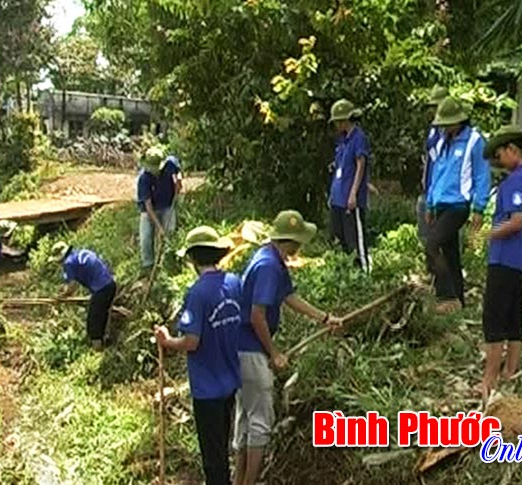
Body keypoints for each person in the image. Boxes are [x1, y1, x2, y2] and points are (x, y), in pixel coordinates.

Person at [233, 210, 342, 485]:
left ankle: (238, 480)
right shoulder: (269, 266)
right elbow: (257, 315)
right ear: (290, 241)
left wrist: (324, 318)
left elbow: (289, 296)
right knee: (258, 421)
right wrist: (274, 353)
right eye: (298, 241)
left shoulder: (270, 259)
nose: (300, 247)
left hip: (243, 348)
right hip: (250, 350)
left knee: (245, 418)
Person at [154, 226, 241, 485]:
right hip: (231, 381)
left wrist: (166, 341)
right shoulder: (234, 283)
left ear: (193, 259)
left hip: (208, 389)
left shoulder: (197, 293)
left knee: (213, 457)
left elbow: (192, 342)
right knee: (223, 445)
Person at [479, 126, 522, 401]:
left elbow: (516, 221)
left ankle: (489, 380)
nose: (498, 162)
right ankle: (510, 369)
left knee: (494, 316)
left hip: (506, 257)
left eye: (499, 155)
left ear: (512, 150)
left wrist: (486, 234)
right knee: (513, 314)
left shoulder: (516, 182)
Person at [425, 97, 491, 314]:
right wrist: (430, 203)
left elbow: (482, 175)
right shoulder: (443, 141)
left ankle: (446, 295)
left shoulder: (474, 140)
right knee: (450, 252)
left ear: (458, 121)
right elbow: (437, 174)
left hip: (459, 205)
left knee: (432, 244)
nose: (444, 128)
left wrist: (479, 208)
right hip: (441, 203)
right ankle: (459, 299)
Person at [49, 241, 117, 350]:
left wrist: (61, 296)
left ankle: (97, 350)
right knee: (102, 314)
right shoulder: (82, 252)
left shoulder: (68, 263)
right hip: (110, 284)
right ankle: (105, 341)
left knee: (93, 322)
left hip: (101, 289)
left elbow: (71, 286)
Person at [328, 99, 371, 271]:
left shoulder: (359, 138)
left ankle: (362, 270)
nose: (336, 125)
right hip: (338, 196)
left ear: (345, 120)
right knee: (340, 237)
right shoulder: (342, 140)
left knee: (355, 237)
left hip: (350, 198)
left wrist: (354, 193)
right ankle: (347, 271)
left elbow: (361, 164)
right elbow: (340, 167)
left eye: (338, 121)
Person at [417, 86, 449, 243]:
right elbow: (429, 154)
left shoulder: (450, 130)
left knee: (442, 236)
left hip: (443, 189)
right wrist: (424, 177)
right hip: (429, 186)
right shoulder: (433, 128)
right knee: (426, 234)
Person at [137, 145, 171, 271]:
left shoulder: (169, 166)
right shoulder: (144, 179)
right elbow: (148, 206)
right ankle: (148, 265)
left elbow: (177, 170)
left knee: (169, 234)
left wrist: (178, 179)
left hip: (167, 205)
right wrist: (159, 227)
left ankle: (167, 262)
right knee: (146, 237)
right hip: (148, 211)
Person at [154, 153, 183, 233]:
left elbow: (178, 175)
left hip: (167, 201)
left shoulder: (171, 162)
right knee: (159, 230)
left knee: (168, 230)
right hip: (156, 202)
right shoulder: (171, 162)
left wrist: (178, 184)